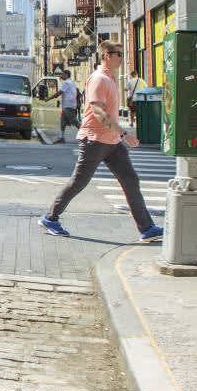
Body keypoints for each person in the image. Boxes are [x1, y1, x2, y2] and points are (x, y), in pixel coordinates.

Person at [40, 41, 164, 242]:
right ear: (107, 55)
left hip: (112, 142)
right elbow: (98, 111)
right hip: (94, 140)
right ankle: (50, 218)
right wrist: (125, 134)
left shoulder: (110, 78)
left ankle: (146, 228)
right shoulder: (98, 79)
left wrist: (118, 136)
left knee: (130, 180)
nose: (122, 58)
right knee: (79, 182)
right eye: (119, 54)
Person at [55, 70, 80, 143]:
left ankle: (86, 136)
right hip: (70, 105)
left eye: (62, 74)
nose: (61, 76)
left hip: (68, 106)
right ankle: (62, 137)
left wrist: (50, 98)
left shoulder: (66, 82)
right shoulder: (72, 82)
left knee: (75, 122)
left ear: (66, 75)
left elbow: (60, 92)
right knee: (63, 122)